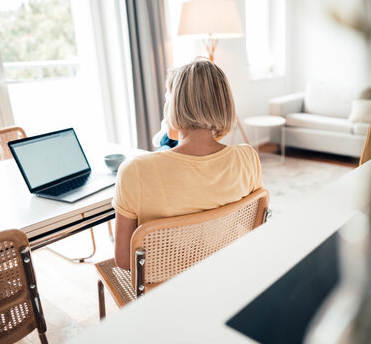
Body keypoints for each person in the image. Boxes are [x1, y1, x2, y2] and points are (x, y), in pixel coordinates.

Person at [112, 59, 263, 270]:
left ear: (174, 107)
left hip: (164, 284)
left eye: (167, 100)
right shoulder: (248, 157)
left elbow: (125, 260)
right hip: (226, 269)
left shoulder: (134, 171)